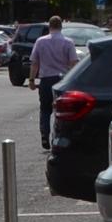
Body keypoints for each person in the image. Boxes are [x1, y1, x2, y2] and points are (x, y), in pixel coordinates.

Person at [28, 14, 79, 148]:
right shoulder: (68, 42)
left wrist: (32, 79)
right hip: (62, 80)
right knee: (62, 111)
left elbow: (35, 63)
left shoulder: (40, 41)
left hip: (46, 79)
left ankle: (44, 134)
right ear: (61, 27)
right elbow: (73, 63)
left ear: (49, 27)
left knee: (45, 109)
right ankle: (59, 136)